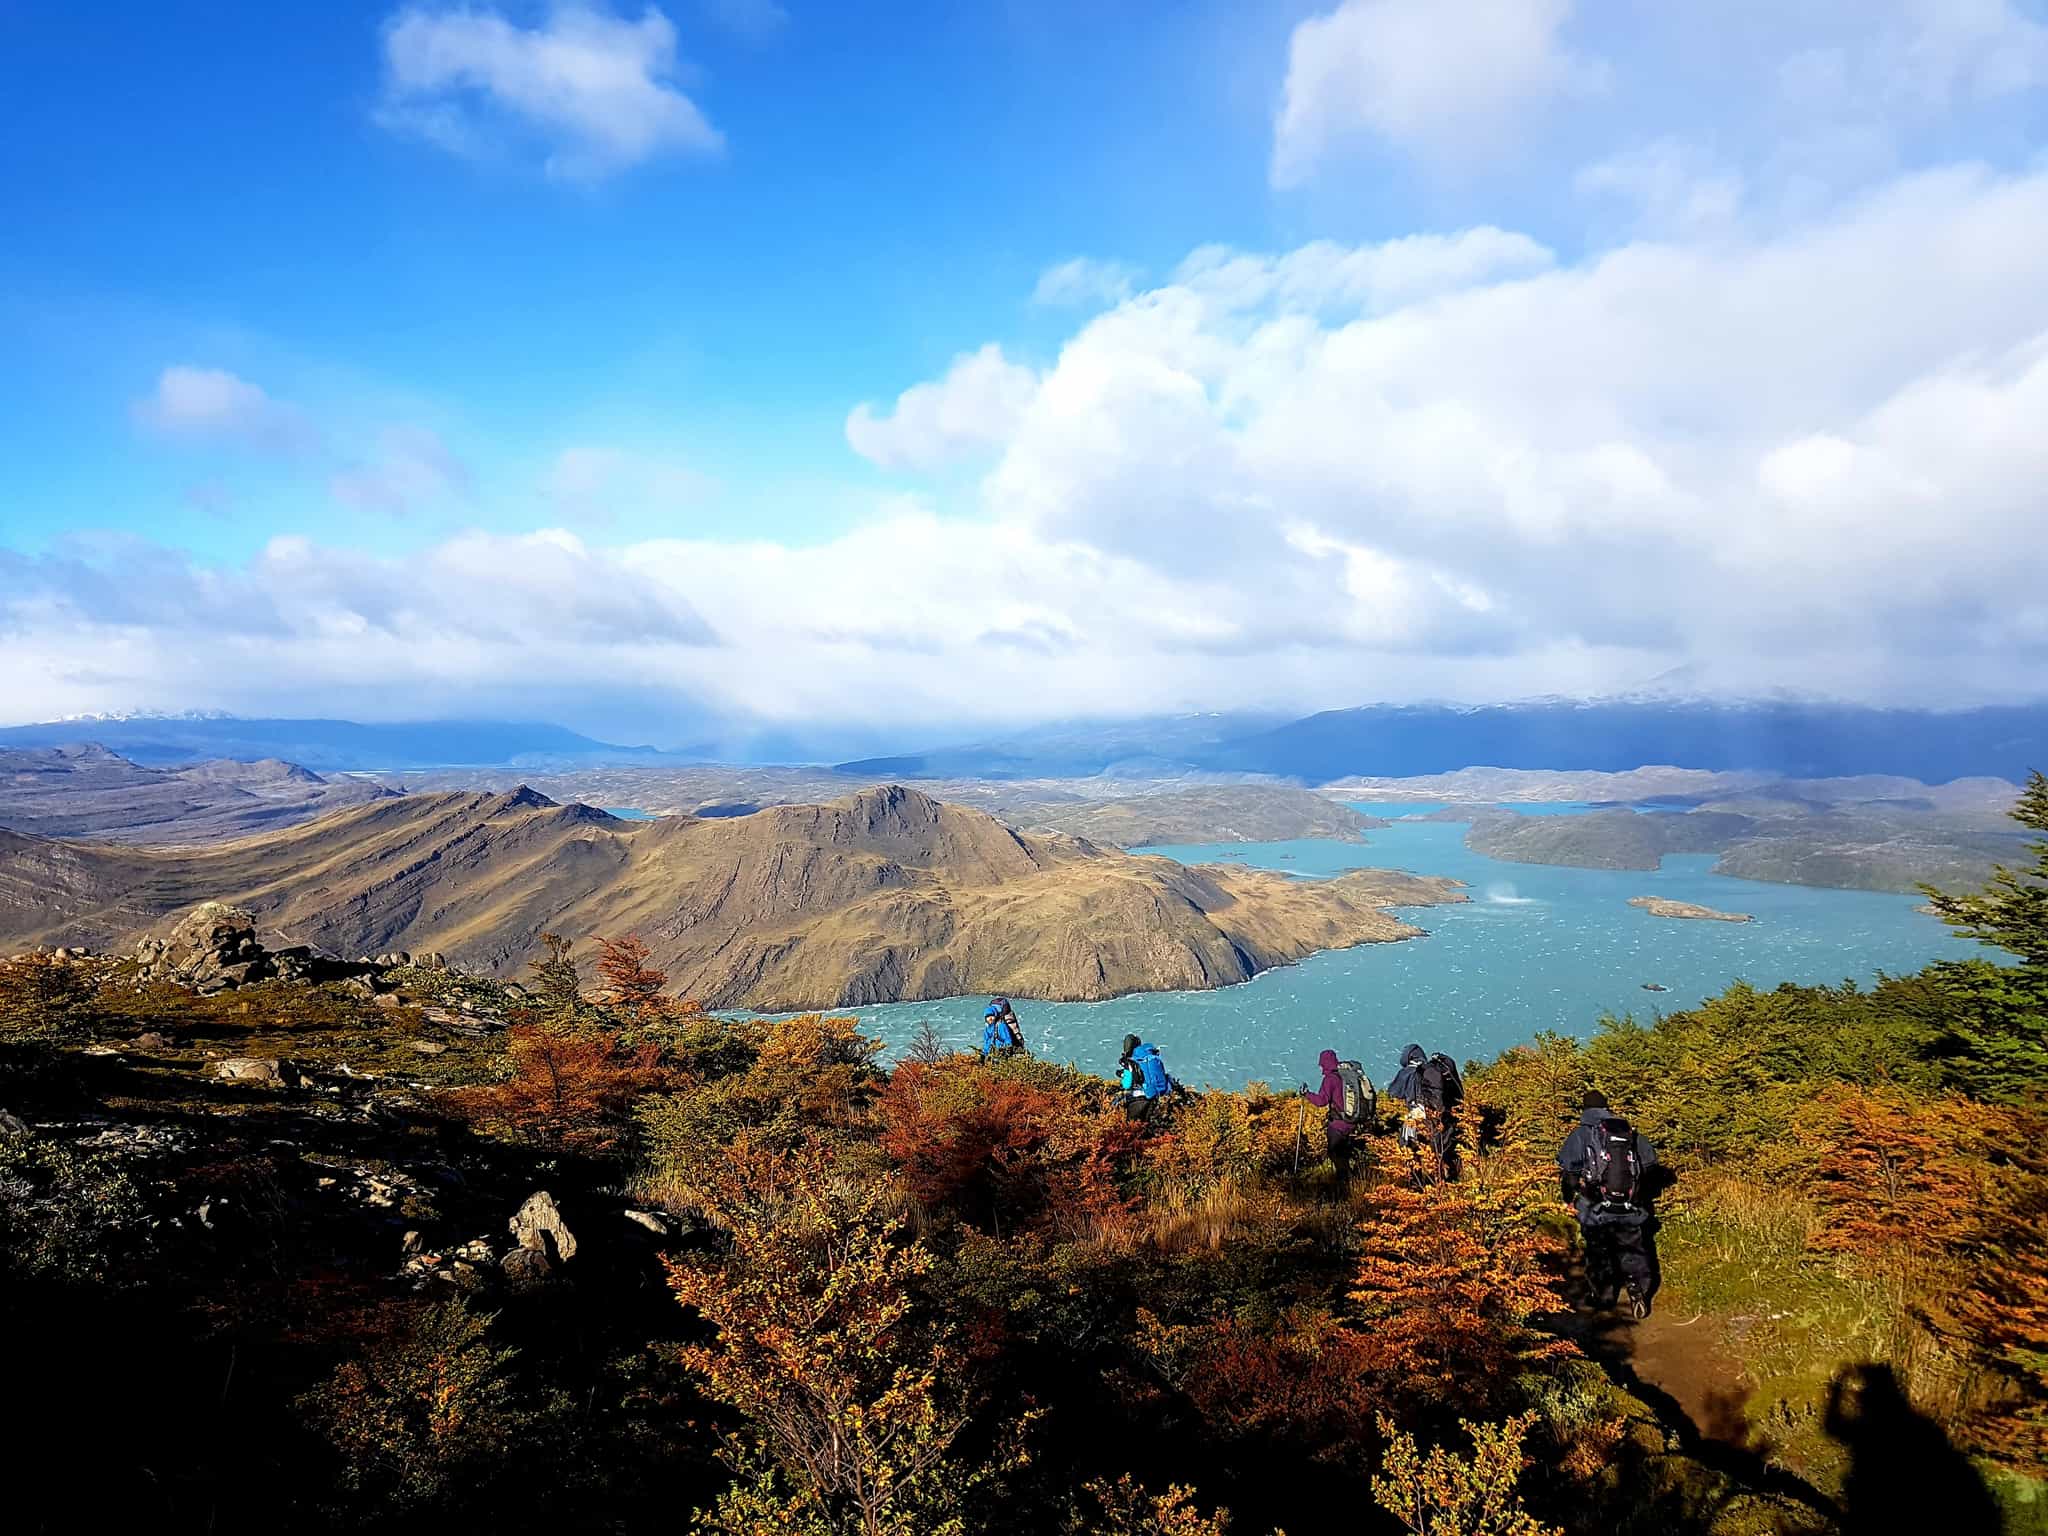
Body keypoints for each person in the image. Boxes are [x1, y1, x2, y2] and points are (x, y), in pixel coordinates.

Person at [1557, 1089, 1659, 1318]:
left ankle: (1602, 1296)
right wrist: (1639, 1195)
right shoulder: (1627, 1131)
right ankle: (1638, 1290)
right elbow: (1650, 1165)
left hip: (1595, 1208)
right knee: (1633, 1247)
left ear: (1584, 1110)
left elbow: (1569, 1173)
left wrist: (1568, 1200)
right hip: (1630, 1207)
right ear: (1607, 1106)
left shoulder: (1582, 1134)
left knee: (1598, 1249)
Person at [1390, 1042, 1462, 1183]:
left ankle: (1417, 1185)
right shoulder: (1434, 1070)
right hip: (1442, 1116)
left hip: (1418, 1116)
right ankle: (1446, 1182)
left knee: (1411, 1150)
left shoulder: (1409, 1071)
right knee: (1438, 1150)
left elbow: (1393, 1092)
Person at [1300, 1048, 1369, 1186]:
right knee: (1345, 1153)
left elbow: (1321, 1101)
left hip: (1338, 1124)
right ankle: (1355, 1180)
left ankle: (1346, 1184)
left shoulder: (1330, 1079)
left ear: (1324, 1063)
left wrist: (1307, 1094)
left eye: (1321, 1064)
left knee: (1335, 1154)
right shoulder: (1345, 1077)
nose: (1321, 1067)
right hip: (1353, 1120)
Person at [1118, 1033, 1174, 1122]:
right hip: (1154, 1097)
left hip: (1136, 1099)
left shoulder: (1131, 1060)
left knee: (1133, 1130)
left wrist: (1122, 1076)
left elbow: (1127, 1084)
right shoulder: (1152, 1057)